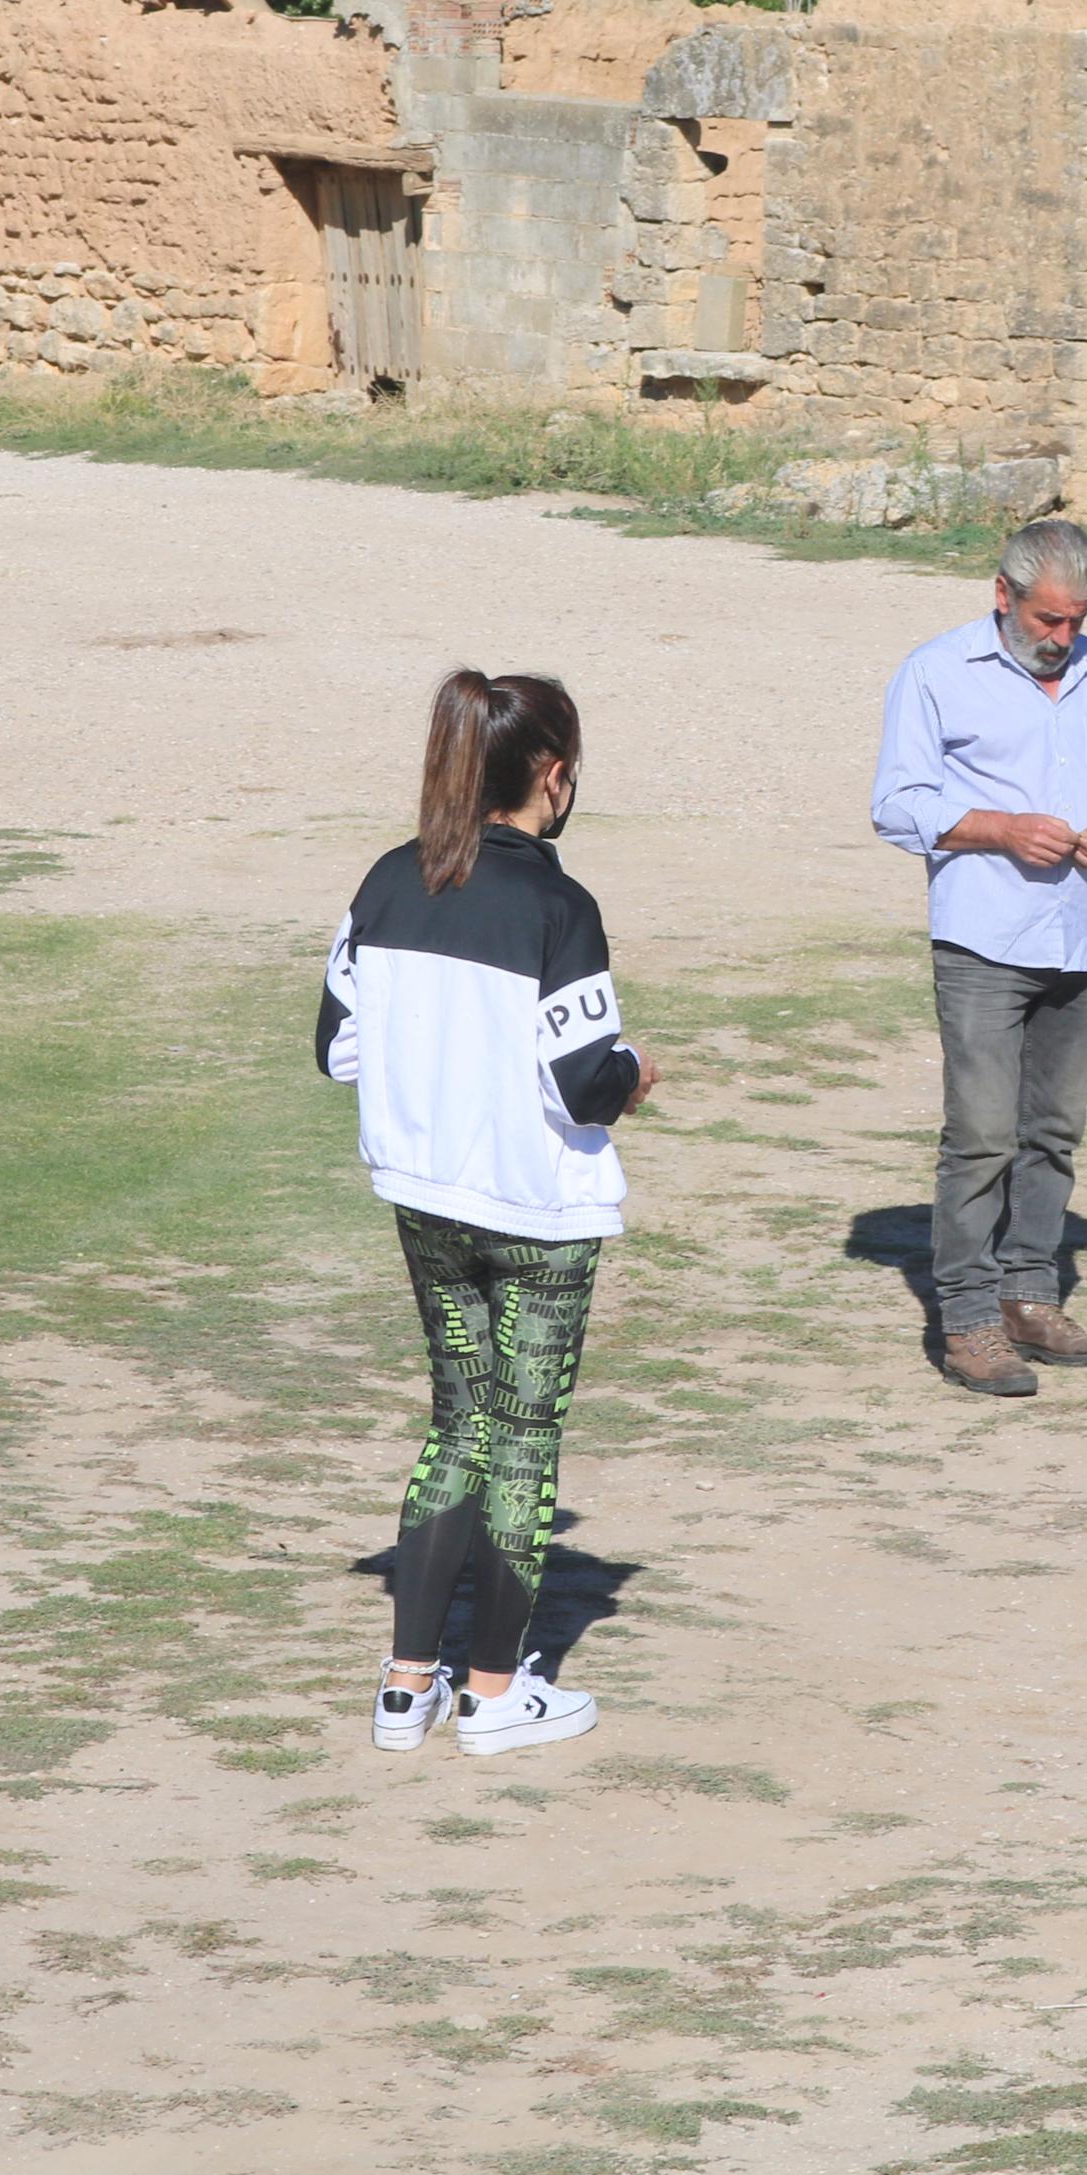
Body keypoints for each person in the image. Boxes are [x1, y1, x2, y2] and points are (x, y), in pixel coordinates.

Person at [316, 670, 656, 1754]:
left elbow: (336, 1048)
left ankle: (406, 1684)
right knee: (522, 1441)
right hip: (538, 1213)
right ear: (551, 775)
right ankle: (499, 1695)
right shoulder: (560, 905)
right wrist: (639, 1070)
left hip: (423, 1199)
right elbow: (584, 1083)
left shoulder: (383, 881)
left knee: (454, 1422)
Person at [870, 519, 1087, 1397]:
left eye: (1075, 619)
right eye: (1047, 618)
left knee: (1052, 1133)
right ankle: (965, 1320)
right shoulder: (933, 672)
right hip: (984, 939)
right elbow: (896, 805)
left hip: (1084, 937)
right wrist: (998, 829)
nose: (1062, 637)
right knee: (981, 1137)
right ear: (1001, 595)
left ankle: (1029, 1297)